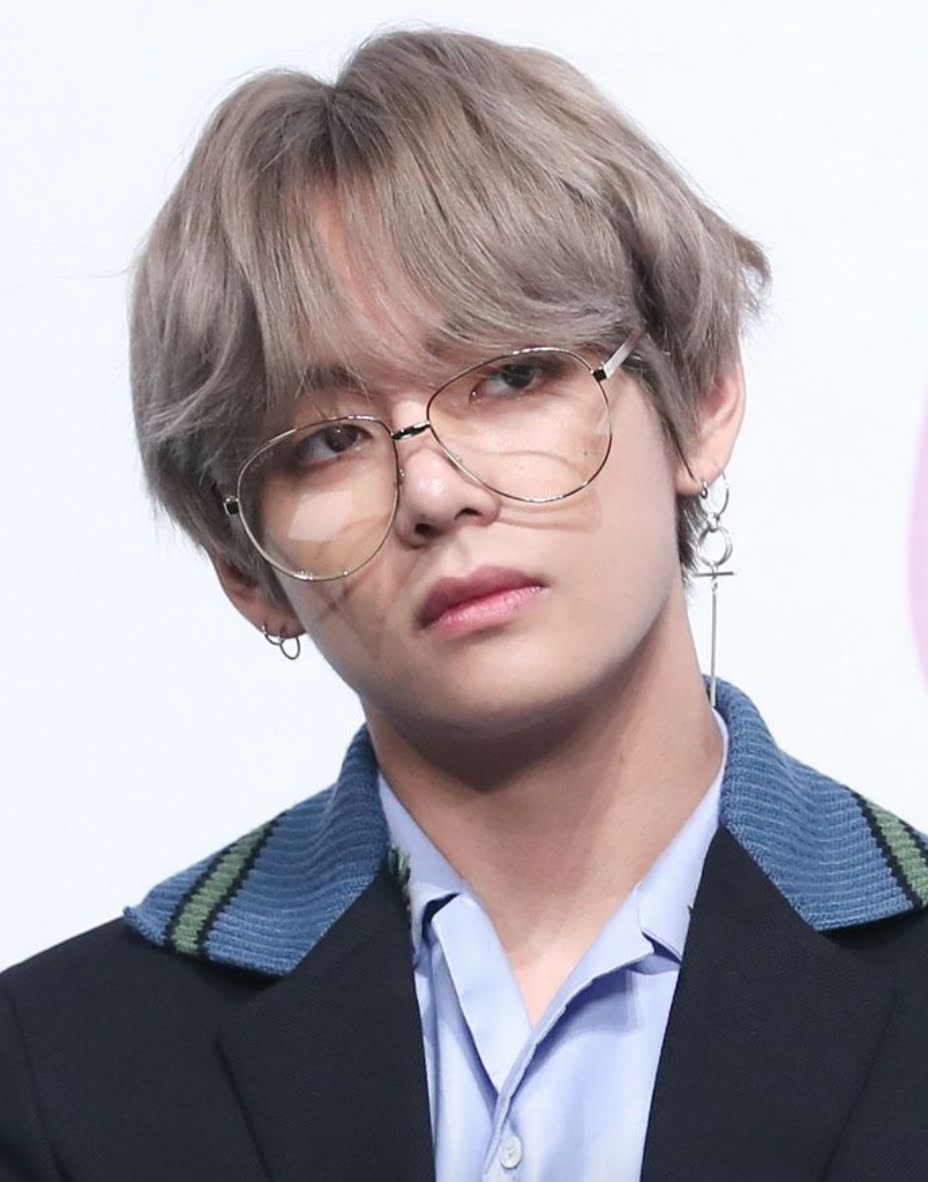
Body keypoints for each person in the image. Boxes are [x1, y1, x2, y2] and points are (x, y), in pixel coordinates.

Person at [2, 26, 928, 1182]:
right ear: (246, 569)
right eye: (327, 441)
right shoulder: (56, 1075)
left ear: (695, 398)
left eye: (512, 375)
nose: (434, 491)